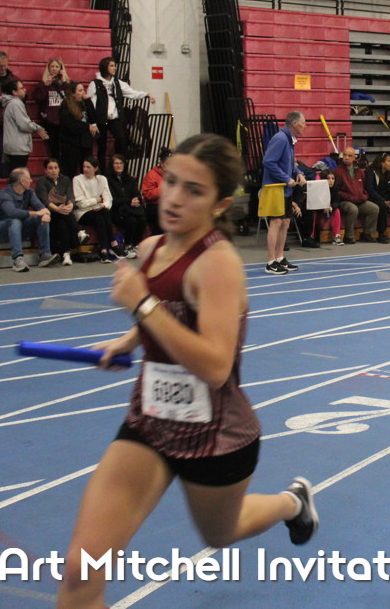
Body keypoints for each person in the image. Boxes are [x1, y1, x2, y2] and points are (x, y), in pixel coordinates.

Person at [56, 133, 318, 609]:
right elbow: (169, 315)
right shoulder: (150, 249)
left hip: (216, 437)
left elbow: (216, 366)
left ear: (220, 205)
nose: (174, 198)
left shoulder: (218, 266)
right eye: (171, 182)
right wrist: (129, 339)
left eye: (193, 190)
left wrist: (141, 304)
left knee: (220, 534)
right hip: (151, 424)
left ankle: (292, 502)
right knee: (80, 571)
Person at [260, 111, 306, 275]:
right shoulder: (280, 139)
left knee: (285, 222)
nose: (305, 126)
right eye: (303, 123)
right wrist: (286, 178)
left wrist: (298, 172)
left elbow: (290, 162)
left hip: (284, 188)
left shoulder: (290, 139)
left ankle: (280, 257)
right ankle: (270, 261)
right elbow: (268, 161)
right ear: (294, 124)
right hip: (275, 187)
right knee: (276, 222)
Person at [0, 167, 57, 272]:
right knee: (15, 220)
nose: (31, 181)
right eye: (29, 178)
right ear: (22, 181)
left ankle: (44, 254)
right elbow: (12, 213)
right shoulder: (4, 194)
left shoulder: (29, 192)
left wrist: (46, 214)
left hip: (19, 228)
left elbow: (41, 207)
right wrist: (37, 213)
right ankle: (17, 259)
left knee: (41, 218)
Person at [88, 56, 155, 163]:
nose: (114, 68)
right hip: (101, 119)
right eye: (111, 66)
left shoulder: (118, 83)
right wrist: (93, 123)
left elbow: (132, 93)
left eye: (114, 65)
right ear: (105, 67)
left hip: (115, 118)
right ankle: (102, 170)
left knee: (121, 139)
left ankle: (118, 165)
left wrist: (147, 94)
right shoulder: (95, 84)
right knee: (102, 146)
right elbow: (91, 104)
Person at [73, 156, 125, 263]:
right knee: (102, 213)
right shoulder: (77, 179)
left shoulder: (102, 179)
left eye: (88, 167)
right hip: (82, 213)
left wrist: (103, 205)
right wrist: (96, 200)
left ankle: (104, 250)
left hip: (98, 211)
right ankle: (113, 243)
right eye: (84, 167)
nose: (85, 169)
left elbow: (108, 200)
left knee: (101, 216)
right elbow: (81, 203)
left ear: (95, 168)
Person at [35, 158, 84, 265]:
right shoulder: (41, 181)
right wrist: (58, 209)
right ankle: (79, 232)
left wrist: (70, 205)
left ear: (59, 169)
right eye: (50, 168)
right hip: (49, 213)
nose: (53, 170)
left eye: (55, 168)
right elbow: (45, 200)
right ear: (45, 170)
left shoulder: (65, 179)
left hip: (63, 213)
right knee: (63, 215)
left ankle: (66, 255)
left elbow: (70, 196)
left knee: (62, 223)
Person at [333, 146, 380, 244]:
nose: (346, 158)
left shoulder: (360, 171)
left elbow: (365, 187)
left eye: (349, 156)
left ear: (355, 157)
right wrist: (350, 197)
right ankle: (348, 236)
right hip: (344, 201)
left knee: (374, 208)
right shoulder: (337, 171)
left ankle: (367, 234)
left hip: (359, 200)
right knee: (353, 209)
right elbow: (337, 191)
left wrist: (364, 196)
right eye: (344, 155)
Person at [1, 79, 49, 171]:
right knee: (19, 174)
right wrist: (37, 128)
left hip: (12, 146)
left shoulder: (10, 103)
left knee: (14, 173)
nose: (25, 90)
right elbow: (24, 124)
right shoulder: (16, 104)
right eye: (21, 88)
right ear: (14, 92)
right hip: (18, 147)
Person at [106, 154, 147, 258]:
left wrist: (136, 200)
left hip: (131, 209)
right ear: (112, 165)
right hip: (116, 211)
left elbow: (137, 194)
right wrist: (129, 201)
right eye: (116, 163)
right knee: (131, 220)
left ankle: (135, 245)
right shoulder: (108, 180)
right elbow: (113, 200)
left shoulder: (130, 179)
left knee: (142, 219)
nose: (119, 166)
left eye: (121, 163)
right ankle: (127, 246)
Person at [58, 81, 98, 179]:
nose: (83, 92)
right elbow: (70, 125)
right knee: (70, 170)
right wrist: (87, 126)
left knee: (87, 170)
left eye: (83, 90)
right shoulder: (66, 105)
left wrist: (88, 101)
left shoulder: (84, 103)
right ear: (73, 93)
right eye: (80, 91)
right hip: (72, 143)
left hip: (85, 142)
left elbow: (93, 118)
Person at [31, 57, 70, 158]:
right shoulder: (43, 84)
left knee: (66, 151)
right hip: (50, 123)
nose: (54, 69)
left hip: (64, 123)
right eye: (52, 66)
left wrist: (64, 82)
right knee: (53, 151)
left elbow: (72, 99)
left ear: (61, 69)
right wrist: (46, 85)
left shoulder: (67, 84)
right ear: (48, 68)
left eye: (57, 66)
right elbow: (37, 99)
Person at [141, 147, 171, 236]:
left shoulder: (173, 176)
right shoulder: (151, 174)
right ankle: (156, 239)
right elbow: (147, 195)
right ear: (161, 163)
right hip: (154, 207)